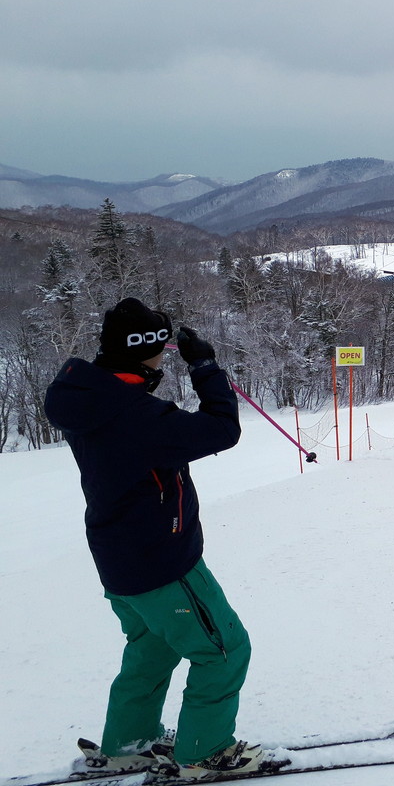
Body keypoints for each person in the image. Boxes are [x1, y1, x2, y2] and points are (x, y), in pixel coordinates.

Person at [43, 298, 284, 778]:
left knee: (152, 650)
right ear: (147, 350)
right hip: (162, 562)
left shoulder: (85, 395)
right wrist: (205, 367)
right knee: (223, 649)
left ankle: (128, 743)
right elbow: (220, 430)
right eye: (161, 347)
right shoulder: (133, 415)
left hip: (118, 558)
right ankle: (206, 750)